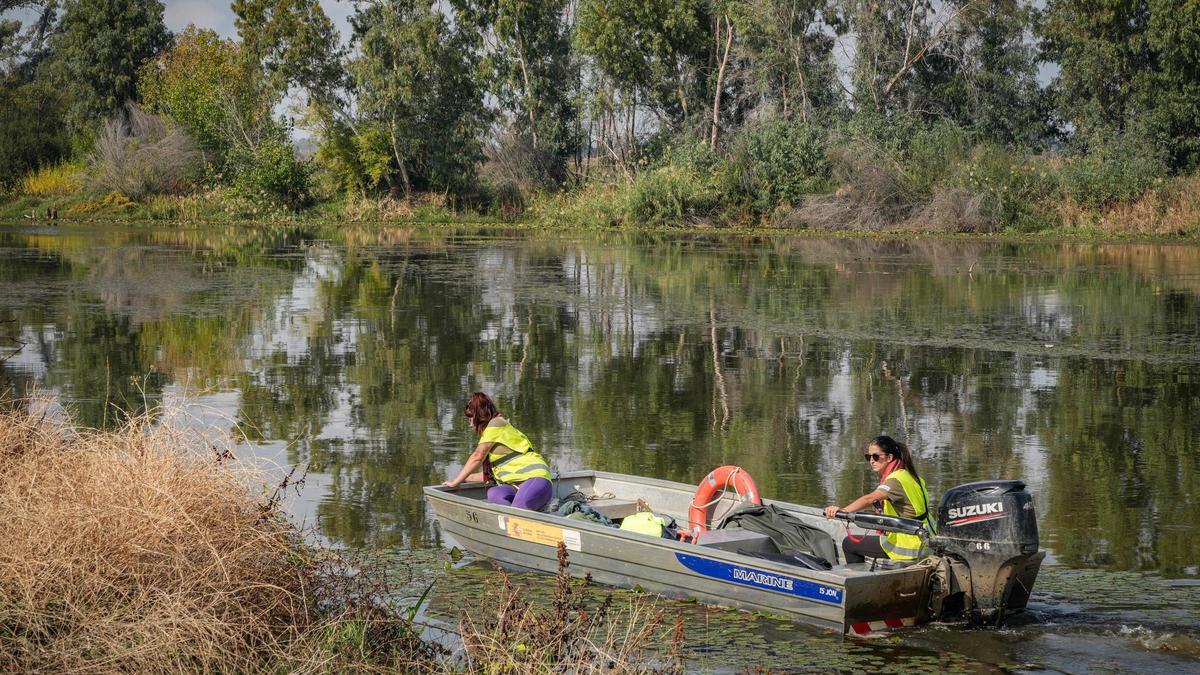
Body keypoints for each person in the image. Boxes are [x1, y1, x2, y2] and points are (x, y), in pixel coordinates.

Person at [822, 435, 935, 564]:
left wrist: (841, 511)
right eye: (868, 457)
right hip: (926, 540)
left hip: (909, 546)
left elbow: (869, 499)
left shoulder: (894, 480)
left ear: (889, 457)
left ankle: (858, 582)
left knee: (849, 544)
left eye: (876, 456)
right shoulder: (911, 477)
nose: (871, 461)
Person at [442, 392, 554, 511]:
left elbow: (477, 456)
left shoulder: (497, 423)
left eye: (470, 419)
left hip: (536, 479)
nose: (470, 424)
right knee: (493, 493)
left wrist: (455, 482)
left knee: (519, 507)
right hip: (516, 486)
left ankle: (521, 517)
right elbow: (489, 477)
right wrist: (464, 478)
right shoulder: (492, 441)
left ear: (479, 416)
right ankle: (512, 520)